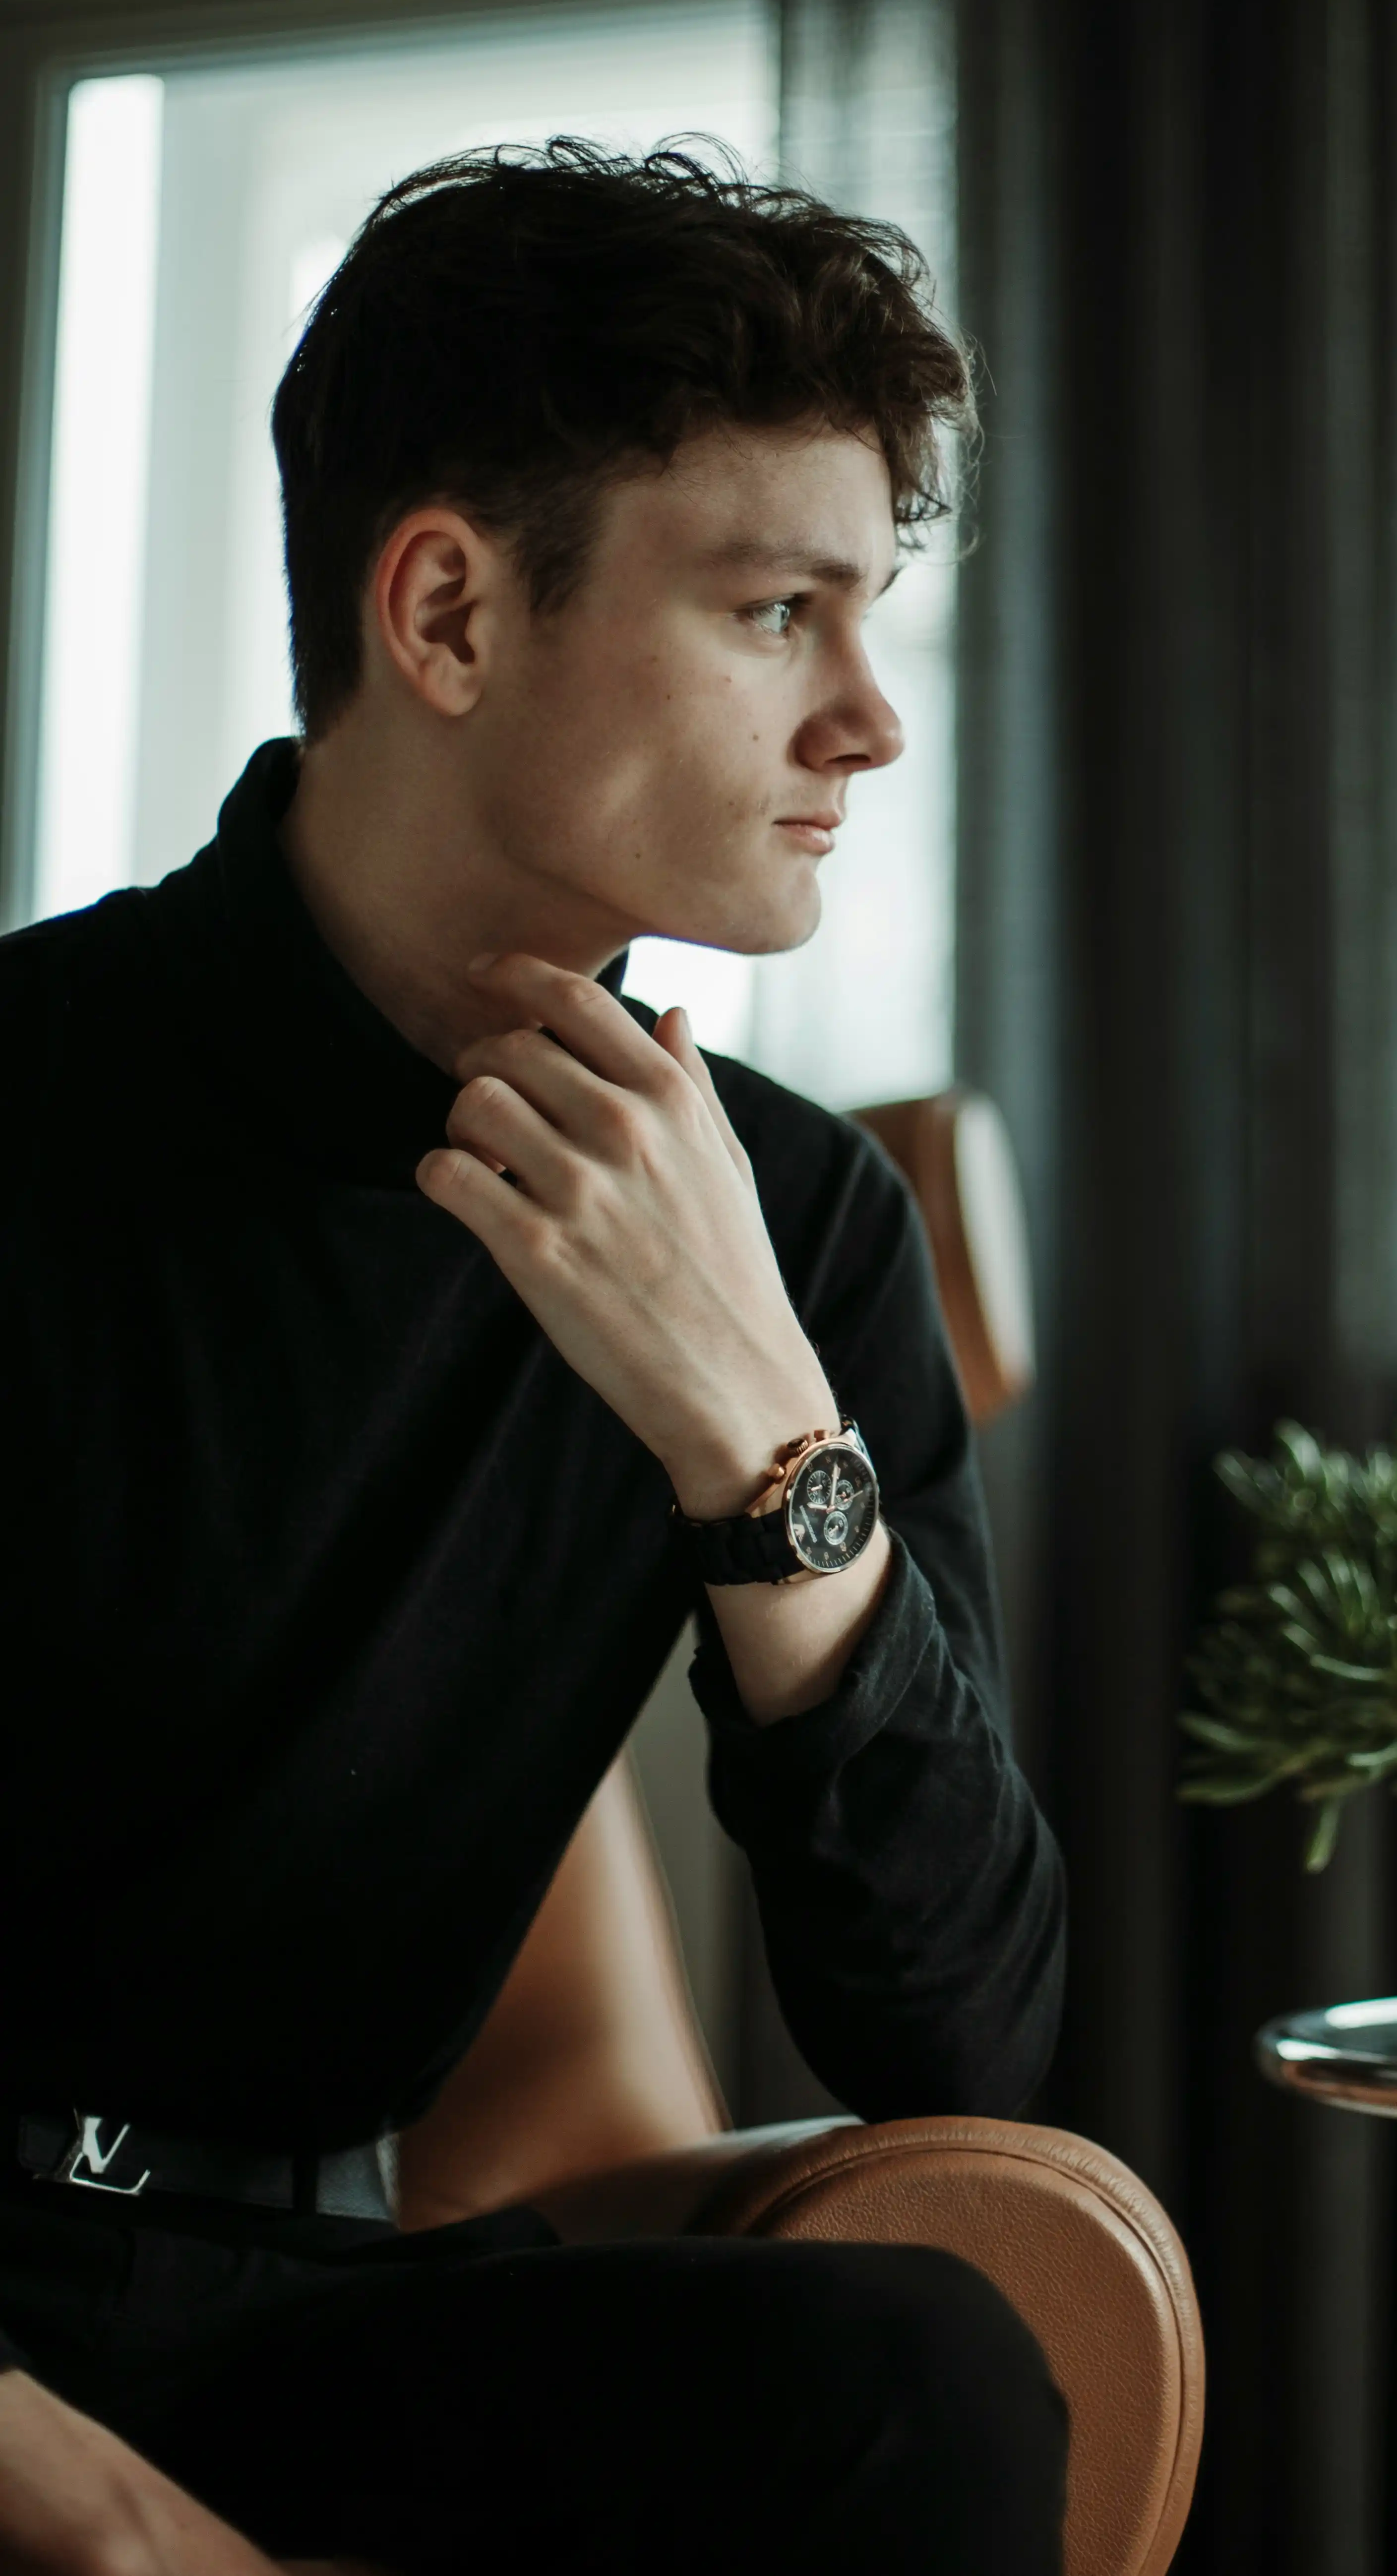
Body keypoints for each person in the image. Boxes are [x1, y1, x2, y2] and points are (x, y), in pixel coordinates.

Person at [0, 139, 1067, 2574]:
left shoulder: (787, 1226)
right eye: (777, 609)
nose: (870, 719)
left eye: (869, 612)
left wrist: (756, 1435)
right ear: (451, 611)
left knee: (917, 2376)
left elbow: (966, 2051)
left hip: (307, 2310)